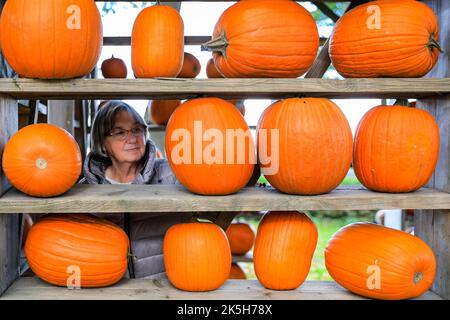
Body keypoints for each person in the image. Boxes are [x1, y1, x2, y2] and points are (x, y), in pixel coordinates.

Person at [80, 100, 234, 279]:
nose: (132, 138)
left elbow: (218, 199)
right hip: (111, 291)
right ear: (102, 142)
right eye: (120, 132)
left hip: (166, 289)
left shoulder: (174, 173)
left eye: (137, 129)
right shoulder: (87, 188)